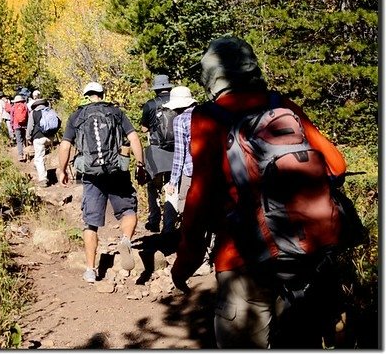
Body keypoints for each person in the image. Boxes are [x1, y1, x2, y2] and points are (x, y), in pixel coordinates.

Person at [171, 37, 347, 348]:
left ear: (211, 77)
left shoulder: (209, 117)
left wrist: (186, 260)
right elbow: (337, 164)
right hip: (309, 253)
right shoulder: (280, 104)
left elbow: (199, 198)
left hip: (244, 260)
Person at [56, 82, 145, 283]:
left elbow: (64, 146)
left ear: (85, 95)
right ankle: (125, 240)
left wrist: (62, 169)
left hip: (91, 176)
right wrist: (140, 165)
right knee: (128, 210)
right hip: (117, 171)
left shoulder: (76, 116)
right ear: (102, 94)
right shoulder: (115, 112)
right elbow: (134, 138)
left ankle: (90, 269)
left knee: (90, 222)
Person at [140, 74, 175, 233]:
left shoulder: (150, 105)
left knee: (153, 186)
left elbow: (144, 128)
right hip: (175, 152)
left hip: (156, 151)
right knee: (171, 187)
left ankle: (154, 220)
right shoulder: (178, 103)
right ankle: (169, 226)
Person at [162, 86, 197, 232]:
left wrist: (173, 182)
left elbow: (180, 153)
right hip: (212, 168)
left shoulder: (180, 119)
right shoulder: (206, 114)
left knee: (185, 205)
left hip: (190, 170)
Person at [27, 98, 56, 185]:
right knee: (40, 155)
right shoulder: (51, 111)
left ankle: (43, 179)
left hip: (38, 138)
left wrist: (28, 137)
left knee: (39, 157)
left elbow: (30, 127)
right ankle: (39, 167)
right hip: (50, 137)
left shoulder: (33, 113)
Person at [10, 94, 29, 162]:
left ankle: (20, 155)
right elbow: (28, 116)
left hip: (16, 126)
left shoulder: (13, 107)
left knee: (19, 140)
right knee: (24, 139)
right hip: (24, 125)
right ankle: (27, 154)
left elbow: (11, 119)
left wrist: (12, 128)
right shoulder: (25, 106)